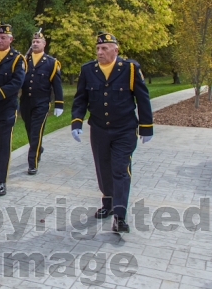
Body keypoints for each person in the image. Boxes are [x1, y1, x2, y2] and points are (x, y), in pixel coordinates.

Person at [71, 31, 153, 233]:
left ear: (115, 50)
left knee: (120, 170)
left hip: (124, 130)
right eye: (98, 48)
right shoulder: (88, 70)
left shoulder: (129, 69)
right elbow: (81, 99)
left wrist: (146, 126)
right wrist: (76, 122)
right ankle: (107, 204)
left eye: (104, 48)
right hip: (99, 129)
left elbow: (142, 98)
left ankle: (120, 216)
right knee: (103, 170)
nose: (100, 52)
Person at [0, 23, 26, 196]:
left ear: (10, 39)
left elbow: (17, 83)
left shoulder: (17, 58)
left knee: (5, 142)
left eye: (3, 38)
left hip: (6, 107)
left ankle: (2, 180)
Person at [19, 31, 64, 175]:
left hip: (42, 102)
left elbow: (57, 84)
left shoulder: (51, 62)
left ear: (44, 44)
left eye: (38, 41)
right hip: (26, 101)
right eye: (33, 41)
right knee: (29, 129)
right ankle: (38, 148)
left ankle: (33, 163)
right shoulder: (24, 61)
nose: (35, 43)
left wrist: (59, 103)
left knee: (36, 132)